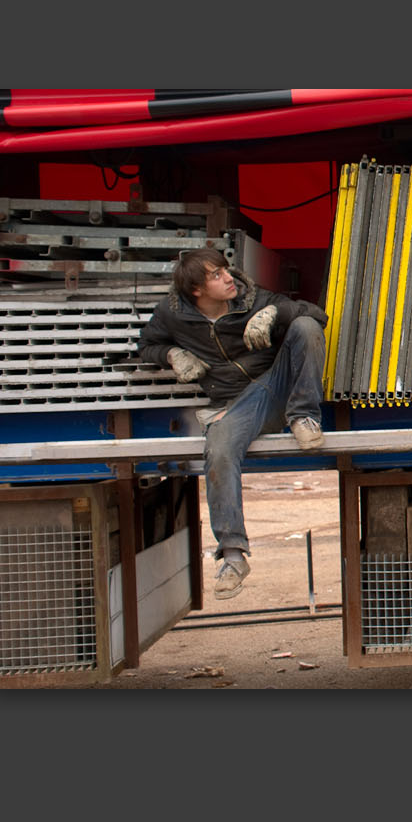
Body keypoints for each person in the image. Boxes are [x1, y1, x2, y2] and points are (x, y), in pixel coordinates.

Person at [137, 249, 329, 599]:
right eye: (216, 275)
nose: (229, 278)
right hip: (235, 405)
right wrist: (172, 354)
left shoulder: (253, 299)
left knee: (305, 326)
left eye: (226, 270)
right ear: (196, 290)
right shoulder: (173, 314)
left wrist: (274, 312)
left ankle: (304, 416)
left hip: (276, 389)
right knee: (220, 447)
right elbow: (148, 344)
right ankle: (233, 554)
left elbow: (317, 315)